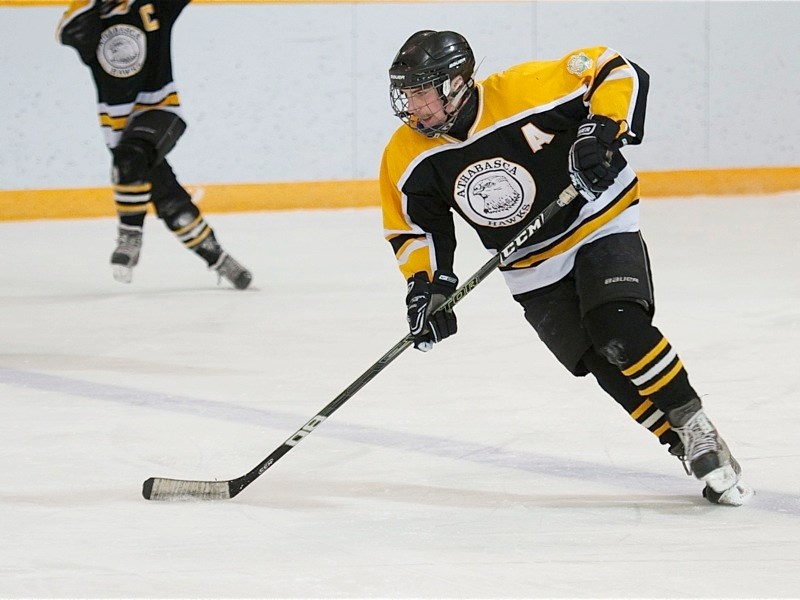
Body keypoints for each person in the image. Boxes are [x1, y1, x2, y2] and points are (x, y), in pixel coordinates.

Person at [379, 30, 754, 505]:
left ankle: (693, 422)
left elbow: (614, 68)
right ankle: (681, 442)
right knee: (598, 360)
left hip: (598, 221)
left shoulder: (524, 90)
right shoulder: (406, 152)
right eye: (407, 93)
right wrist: (427, 286)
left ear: (456, 83)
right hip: (530, 264)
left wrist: (602, 130)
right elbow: (415, 229)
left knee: (615, 326)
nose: (414, 105)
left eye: (422, 91)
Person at [57, 0, 252, 289]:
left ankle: (130, 235)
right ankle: (219, 259)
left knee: (129, 158)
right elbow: (67, 31)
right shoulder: (87, 17)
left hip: (162, 111)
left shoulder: (153, 5)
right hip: (119, 129)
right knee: (169, 200)